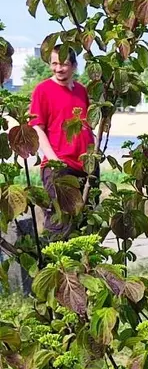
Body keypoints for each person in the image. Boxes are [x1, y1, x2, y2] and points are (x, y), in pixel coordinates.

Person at [28, 47, 97, 236]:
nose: (59, 69)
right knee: (59, 223)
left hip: (86, 166)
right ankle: (55, 264)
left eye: (64, 64)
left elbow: (88, 125)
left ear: (74, 66)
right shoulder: (43, 90)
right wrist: (54, 160)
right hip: (59, 166)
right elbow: (37, 128)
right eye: (55, 63)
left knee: (86, 222)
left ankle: (83, 266)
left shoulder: (81, 91)